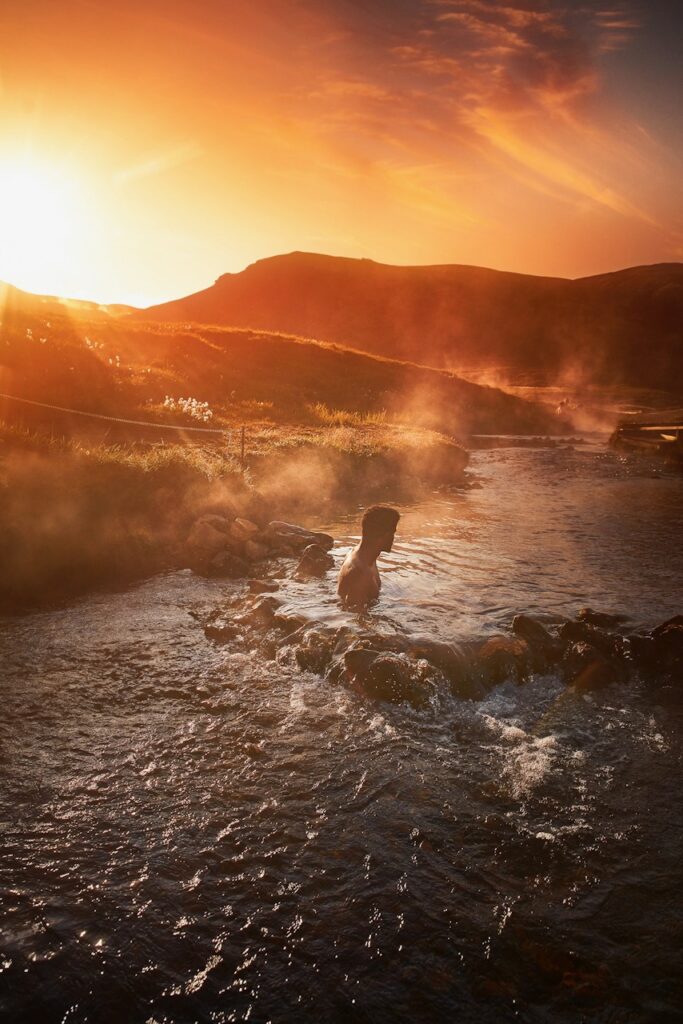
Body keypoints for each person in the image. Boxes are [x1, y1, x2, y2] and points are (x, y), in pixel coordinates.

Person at [337, 505, 400, 607]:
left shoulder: (363, 555)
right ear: (385, 536)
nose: (394, 538)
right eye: (393, 533)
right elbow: (355, 618)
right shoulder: (360, 576)